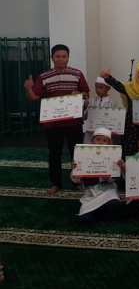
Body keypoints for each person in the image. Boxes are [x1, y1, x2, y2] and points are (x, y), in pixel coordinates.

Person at [24, 44, 90, 195]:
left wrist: (80, 95)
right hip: (52, 124)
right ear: (52, 58)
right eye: (57, 56)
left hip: (73, 122)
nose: (61, 59)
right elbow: (33, 97)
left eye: (64, 56)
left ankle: (77, 182)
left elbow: (86, 93)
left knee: (77, 153)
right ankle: (55, 183)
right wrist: (28, 88)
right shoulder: (44, 76)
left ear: (68, 57)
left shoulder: (77, 74)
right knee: (54, 153)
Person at [101, 62, 139, 157]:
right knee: (130, 154)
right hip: (132, 128)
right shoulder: (130, 87)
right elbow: (119, 86)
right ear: (136, 73)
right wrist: (108, 78)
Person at [70, 127, 123, 223]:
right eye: (98, 139)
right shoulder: (83, 154)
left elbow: (116, 178)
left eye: (104, 140)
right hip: (91, 194)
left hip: (107, 191)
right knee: (85, 220)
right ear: (92, 141)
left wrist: (109, 177)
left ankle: (101, 212)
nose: (101, 142)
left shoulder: (114, 156)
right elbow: (76, 181)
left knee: (114, 205)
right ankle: (97, 212)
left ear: (109, 143)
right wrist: (75, 169)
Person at [83, 76, 114, 143]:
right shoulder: (91, 101)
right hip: (91, 131)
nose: (97, 90)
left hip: (104, 133)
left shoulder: (112, 103)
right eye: (96, 87)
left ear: (108, 88)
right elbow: (85, 117)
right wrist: (85, 106)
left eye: (100, 87)